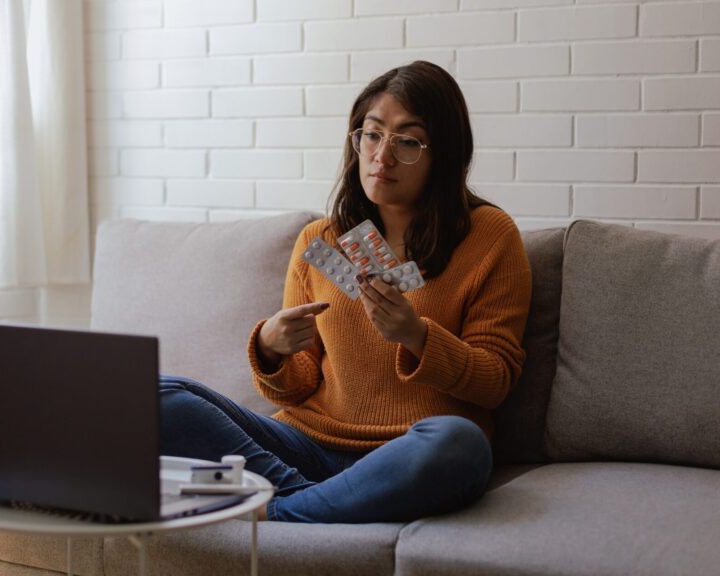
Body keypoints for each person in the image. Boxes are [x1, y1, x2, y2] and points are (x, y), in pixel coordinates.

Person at [159, 61, 532, 523]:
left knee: (462, 445)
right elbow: (298, 387)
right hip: (304, 446)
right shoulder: (321, 240)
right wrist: (271, 348)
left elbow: (494, 381)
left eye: (408, 142)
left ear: (445, 154)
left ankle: (279, 512)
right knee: (155, 395)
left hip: (409, 451)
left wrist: (418, 336)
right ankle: (317, 503)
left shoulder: (489, 236)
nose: (383, 156)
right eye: (372, 135)